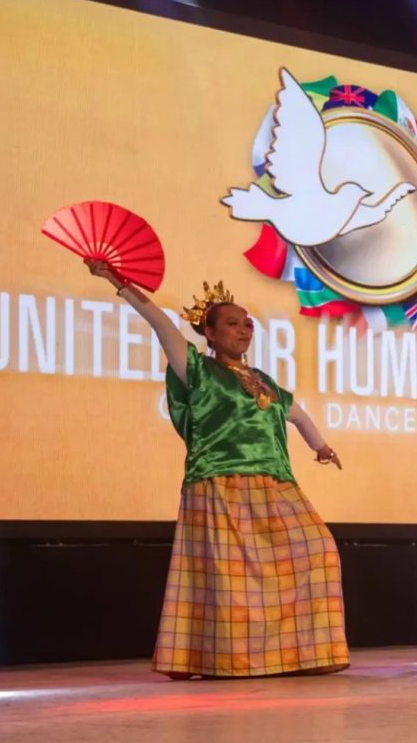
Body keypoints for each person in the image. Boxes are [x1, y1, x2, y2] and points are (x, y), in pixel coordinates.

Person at [87, 262, 350, 678]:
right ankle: (223, 660)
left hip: (274, 484)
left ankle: (303, 653)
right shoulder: (197, 371)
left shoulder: (263, 381)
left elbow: (296, 415)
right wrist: (116, 281)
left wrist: (321, 447)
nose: (243, 330)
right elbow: (160, 323)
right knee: (229, 580)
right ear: (209, 333)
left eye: (247, 324)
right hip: (219, 482)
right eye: (232, 323)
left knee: (319, 551)